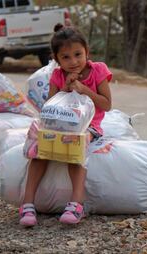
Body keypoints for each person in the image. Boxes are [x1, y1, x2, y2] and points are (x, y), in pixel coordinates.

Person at [19, 23, 113, 227]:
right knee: (40, 149)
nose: (73, 61)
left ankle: (76, 203)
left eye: (78, 54)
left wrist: (83, 89)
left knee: (73, 146)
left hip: (88, 125)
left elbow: (106, 104)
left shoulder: (98, 71)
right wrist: (65, 89)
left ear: (87, 51)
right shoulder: (58, 75)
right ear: (56, 59)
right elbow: (49, 108)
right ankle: (27, 204)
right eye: (66, 57)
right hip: (59, 123)